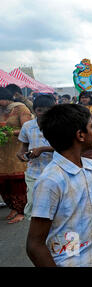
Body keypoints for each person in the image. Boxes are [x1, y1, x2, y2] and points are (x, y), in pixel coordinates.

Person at [26, 104, 92, 267]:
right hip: (73, 261)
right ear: (80, 135)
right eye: (91, 126)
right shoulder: (51, 181)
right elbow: (34, 245)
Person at [16, 95, 55, 221]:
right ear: (34, 110)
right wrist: (21, 154)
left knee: (54, 204)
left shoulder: (59, 125)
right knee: (33, 204)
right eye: (39, 110)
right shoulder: (27, 126)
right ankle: (37, 232)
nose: (43, 113)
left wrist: (42, 149)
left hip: (55, 171)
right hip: (34, 171)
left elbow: (65, 146)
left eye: (48, 110)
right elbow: (24, 146)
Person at [0, 87, 33, 224]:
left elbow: (27, 129)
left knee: (17, 183)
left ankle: (21, 211)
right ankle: (13, 207)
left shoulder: (21, 108)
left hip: (17, 149)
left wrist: (9, 133)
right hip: (2, 152)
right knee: (4, 183)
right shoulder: (0, 110)